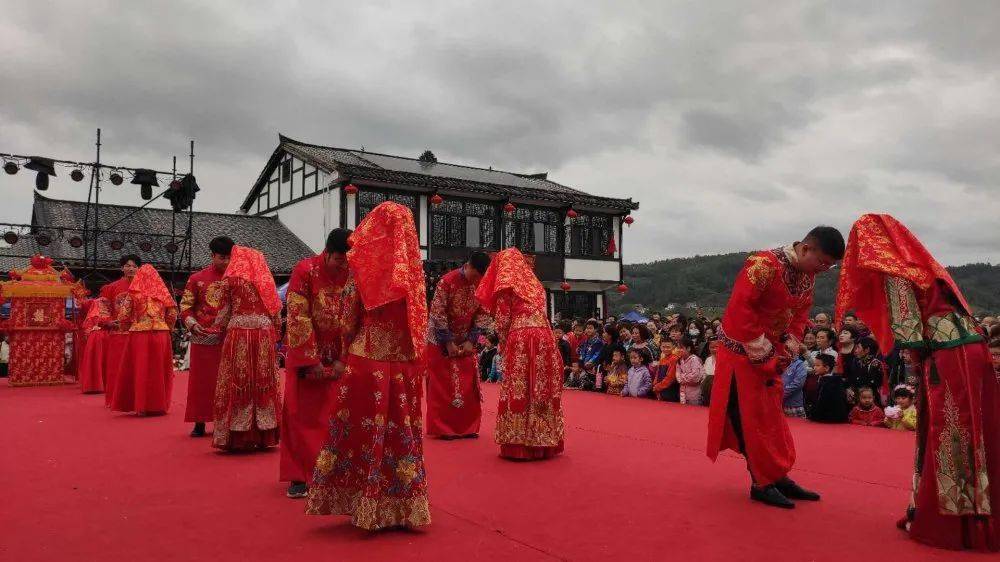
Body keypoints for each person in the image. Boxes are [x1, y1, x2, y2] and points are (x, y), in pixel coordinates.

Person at [835, 213, 999, 551]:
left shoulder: (895, 273)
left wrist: (912, 356)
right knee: (979, 427)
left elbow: (908, 329)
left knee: (949, 429)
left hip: (948, 356)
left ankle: (955, 524)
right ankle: (983, 512)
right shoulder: (924, 267)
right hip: (972, 350)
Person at [306, 201, 431, 530]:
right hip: (403, 364)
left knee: (360, 433)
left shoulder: (362, 267)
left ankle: (358, 498)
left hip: (367, 360)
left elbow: (347, 320)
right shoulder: (414, 275)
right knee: (400, 433)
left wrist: (345, 350)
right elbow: (419, 325)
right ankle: (402, 503)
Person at [707, 226, 843, 509]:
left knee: (772, 420)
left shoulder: (807, 277)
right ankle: (761, 481)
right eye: (822, 262)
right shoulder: (763, 264)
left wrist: (786, 351)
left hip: (770, 355)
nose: (823, 270)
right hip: (742, 354)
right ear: (806, 249)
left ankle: (777, 474)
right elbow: (741, 309)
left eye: (829, 267)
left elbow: (800, 315)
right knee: (749, 418)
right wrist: (764, 352)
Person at [474, 247, 565, 461]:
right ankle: (543, 440)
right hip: (544, 335)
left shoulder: (507, 284)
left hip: (521, 334)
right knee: (540, 385)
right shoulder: (534, 284)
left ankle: (520, 442)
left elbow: (504, 320)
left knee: (520, 386)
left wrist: (504, 344)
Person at [280, 229, 351, 499]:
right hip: (309, 354)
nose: (343, 266)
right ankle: (299, 475)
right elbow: (298, 315)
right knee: (302, 415)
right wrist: (311, 361)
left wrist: (344, 359)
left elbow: (356, 315)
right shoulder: (305, 270)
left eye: (347, 261)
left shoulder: (353, 273)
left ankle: (334, 473)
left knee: (338, 416)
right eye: (339, 260)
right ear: (328, 252)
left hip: (340, 355)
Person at [212, 246, 283, 451]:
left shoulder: (230, 280)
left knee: (237, 380)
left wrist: (220, 328)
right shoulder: (267, 282)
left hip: (238, 334)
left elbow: (223, 312)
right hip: (263, 335)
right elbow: (276, 314)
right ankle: (265, 434)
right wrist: (274, 332)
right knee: (264, 381)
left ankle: (237, 435)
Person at [426, 252, 493, 440]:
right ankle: (444, 428)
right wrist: (447, 342)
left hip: (466, 340)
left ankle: (468, 427)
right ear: (469, 266)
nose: (477, 280)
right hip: (440, 338)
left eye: (481, 277)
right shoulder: (447, 281)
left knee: (467, 382)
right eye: (476, 275)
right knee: (443, 384)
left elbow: (484, 313)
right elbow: (437, 313)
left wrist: (472, 340)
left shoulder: (481, 284)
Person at [180, 236, 232, 437]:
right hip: (203, 337)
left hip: (228, 337)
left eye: (229, 257)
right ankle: (199, 421)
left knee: (227, 382)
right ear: (212, 256)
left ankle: (226, 421)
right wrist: (192, 324)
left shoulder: (235, 280)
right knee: (201, 383)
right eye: (221, 257)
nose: (225, 262)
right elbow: (185, 307)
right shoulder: (196, 279)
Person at [109, 264, 176, 415]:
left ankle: (142, 406)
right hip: (161, 333)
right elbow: (172, 314)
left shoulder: (133, 293)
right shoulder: (163, 293)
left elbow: (123, 316)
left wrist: (127, 327)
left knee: (141, 368)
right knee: (159, 369)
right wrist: (167, 328)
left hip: (139, 333)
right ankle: (160, 405)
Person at [99, 255, 141, 407]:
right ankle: (115, 400)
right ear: (122, 268)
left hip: (138, 334)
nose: (131, 268)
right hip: (117, 334)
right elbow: (103, 308)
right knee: (116, 369)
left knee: (136, 369)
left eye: (134, 266)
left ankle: (137, 400)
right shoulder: (111, 288)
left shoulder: (144, 288)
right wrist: (108, 322)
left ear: (139, 269)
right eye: (128, 265)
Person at [77, 298, 110, 393]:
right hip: (98, 337)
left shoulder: (95, 312)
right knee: (98, 359)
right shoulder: (95, 314)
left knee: (100, 359)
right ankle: (96, 385)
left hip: (101, 336)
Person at [808, 354, 849, 423]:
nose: (814, 368)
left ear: (826, 368)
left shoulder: (829, 383)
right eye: (814, 365)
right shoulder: (832, 380)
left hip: (829, 419)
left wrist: (814, 414)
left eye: (817, 365)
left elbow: (822, 402)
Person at [845, 336, 885, 406]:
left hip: (870, 399)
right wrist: (849, 389)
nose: (855, 351)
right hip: (857, 397)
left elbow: (874, 383)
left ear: (867, 350)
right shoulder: (856, 361)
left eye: (858, 347)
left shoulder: (875, 364)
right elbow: (852, 378)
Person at [780, 336, 808, 418]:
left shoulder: (799, 364)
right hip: (779, 404)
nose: (787, 352)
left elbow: (798, 384)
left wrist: (781, 394)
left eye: (789, 349)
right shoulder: (780, 363)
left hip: (794, 406)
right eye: (785, 349)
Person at [675, 338, 704, 405]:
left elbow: (695, 377)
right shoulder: (679, 360)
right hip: (683, 391)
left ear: (688, 348)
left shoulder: (695, 359)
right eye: (678, 348)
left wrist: (683, 377)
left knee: (694, 411)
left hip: (694, 392)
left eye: (681, 348)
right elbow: (677, 375)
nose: (679, 350)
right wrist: (684, 377)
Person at [700, 338, 718, 405]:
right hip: (707, 390)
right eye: (711, 347)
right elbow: (703, 374)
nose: (714, 349)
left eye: (716, 347)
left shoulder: (725, 360)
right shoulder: (708, 359)